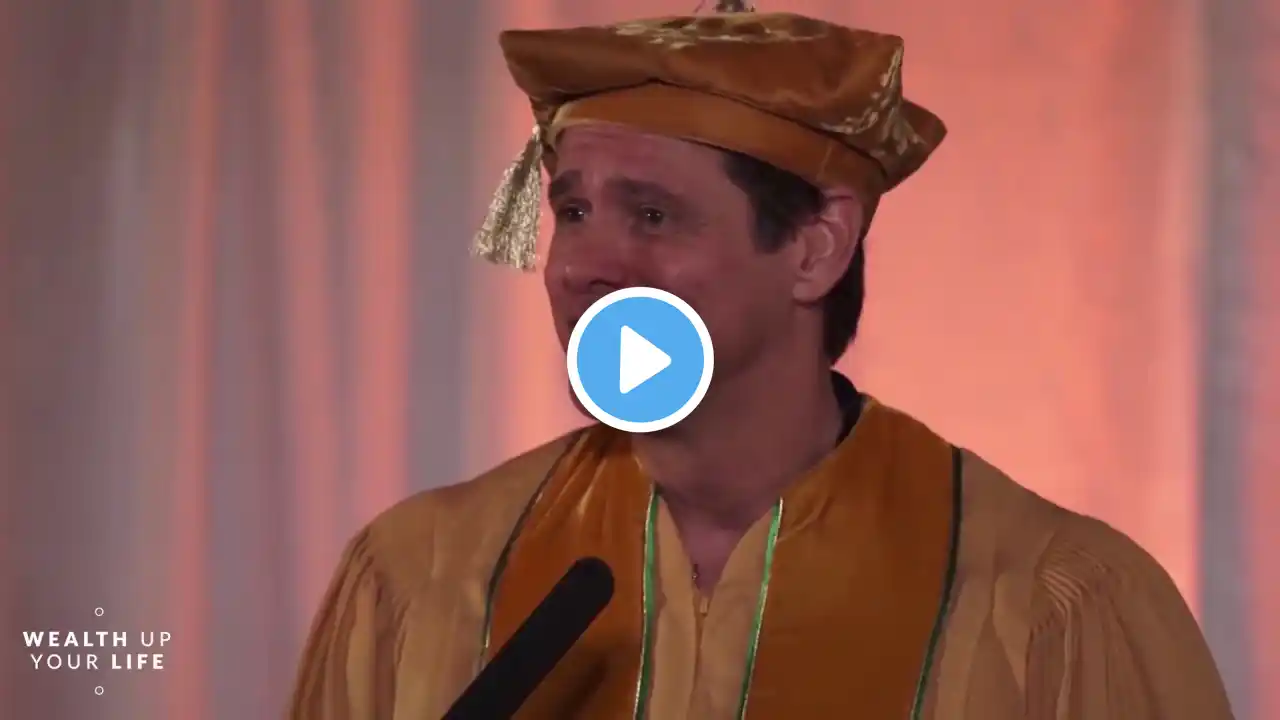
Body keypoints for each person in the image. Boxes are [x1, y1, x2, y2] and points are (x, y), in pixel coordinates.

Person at [288, 4, 1235, 719]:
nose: (580, 265)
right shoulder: (423, 578)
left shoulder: (1047, 600)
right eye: (572, 211)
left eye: (652, 215)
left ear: (815, 248)